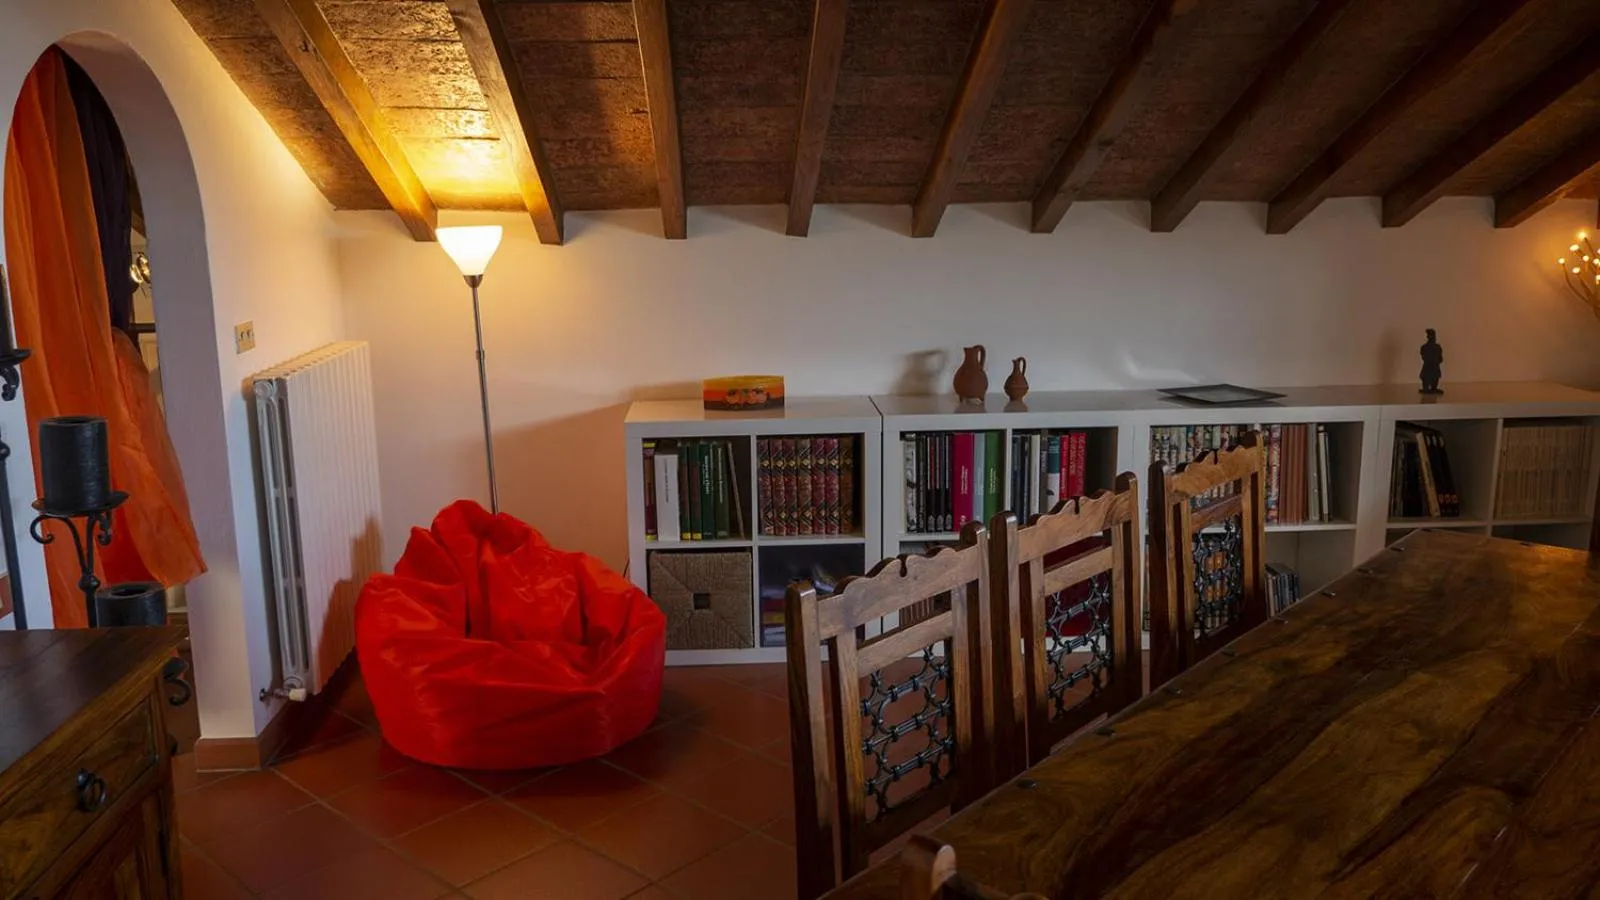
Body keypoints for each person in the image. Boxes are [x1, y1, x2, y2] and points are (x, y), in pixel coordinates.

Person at [1419, 329, 1443, 394]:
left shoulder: (1424, 347)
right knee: (1430, 388)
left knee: (1428, 388)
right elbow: (1440, 359)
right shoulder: (1437, 347)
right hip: (1433, 371)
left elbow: (1424, 358)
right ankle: (1430, 390)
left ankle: (1429, 390)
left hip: (1429, 371)